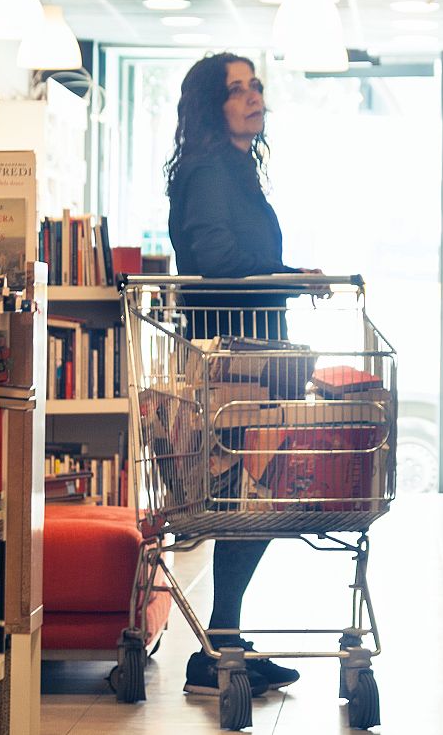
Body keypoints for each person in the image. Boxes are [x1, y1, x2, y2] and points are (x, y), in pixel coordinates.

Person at [164, 52, 312, 696]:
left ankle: (223, 640)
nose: (253, 97)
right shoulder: (209, 169)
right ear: (211, 104)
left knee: (251, 500)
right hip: (230, 360)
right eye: (236, 90)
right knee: (249, 498)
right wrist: (285, 275)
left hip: (249, 353)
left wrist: (288, 274)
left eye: (255, 86)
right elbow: (217, 256)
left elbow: (239, 255)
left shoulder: (235, 167)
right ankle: (219, 642)